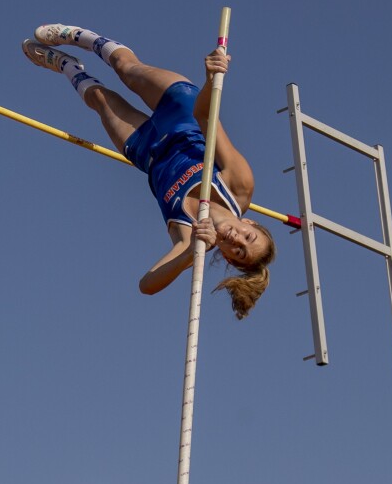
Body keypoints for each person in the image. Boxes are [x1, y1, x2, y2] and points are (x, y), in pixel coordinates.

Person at [22, 24, 276, 319]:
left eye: (239, 252)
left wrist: (189, 253)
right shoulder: (238, 185)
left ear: (230, 260)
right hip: (182, 114)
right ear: (253, 224)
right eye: (249, 237)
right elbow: (205, 115)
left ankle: (67, 65)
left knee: (100, 100)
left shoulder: (190, 241)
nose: (238, 240)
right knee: (127, 68)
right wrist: (210, 79)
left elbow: (147, 285)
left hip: (147, 149)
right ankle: (81, 37)